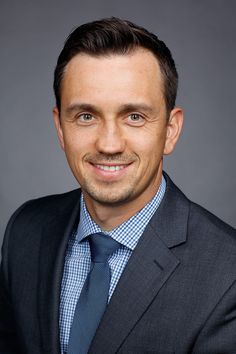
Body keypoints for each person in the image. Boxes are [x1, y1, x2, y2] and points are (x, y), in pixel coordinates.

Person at [1, 17, 236, 354]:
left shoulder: (228, 274)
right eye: (86, 116)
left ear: (170, 130)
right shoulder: (25, 231)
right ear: (60, 128)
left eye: (134, 116)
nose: (109, 144)